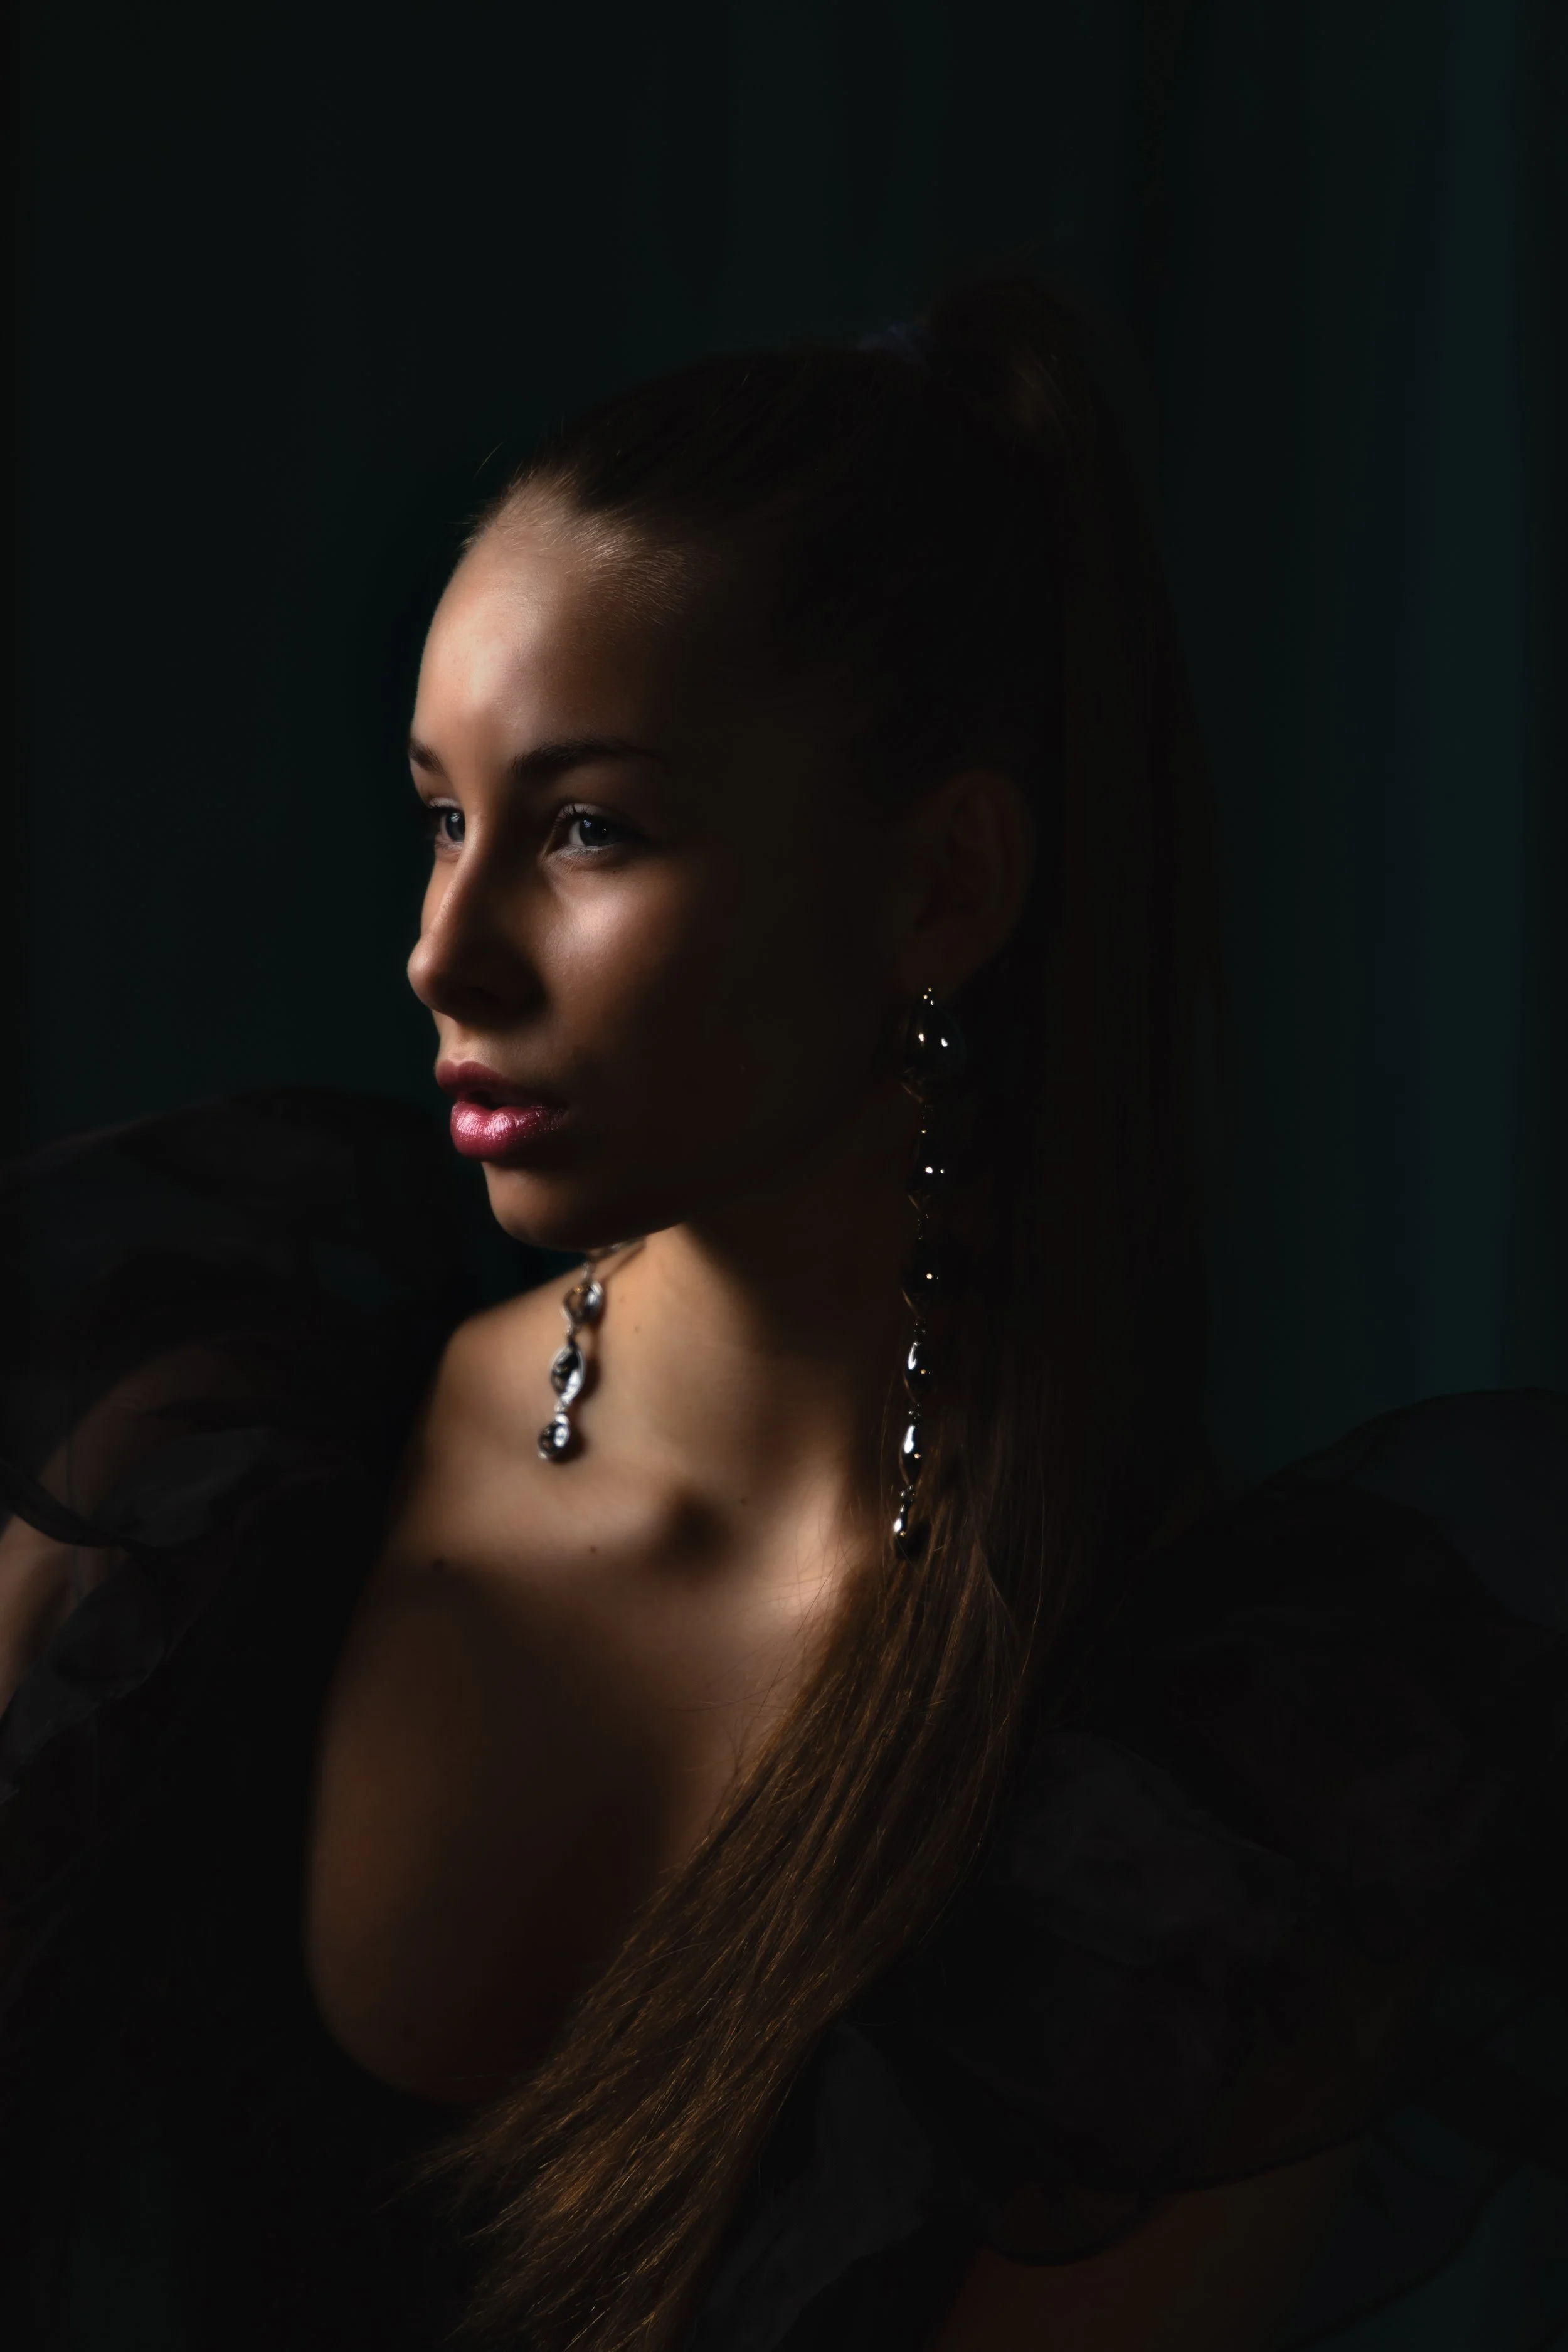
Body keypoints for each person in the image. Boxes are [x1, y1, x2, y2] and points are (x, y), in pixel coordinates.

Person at [1, 281, 1563, 2352]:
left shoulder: (1193, 1809)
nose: (438, 954)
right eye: (440, 816)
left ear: (944, 888)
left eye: (585, 829)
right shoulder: (214, 1465)